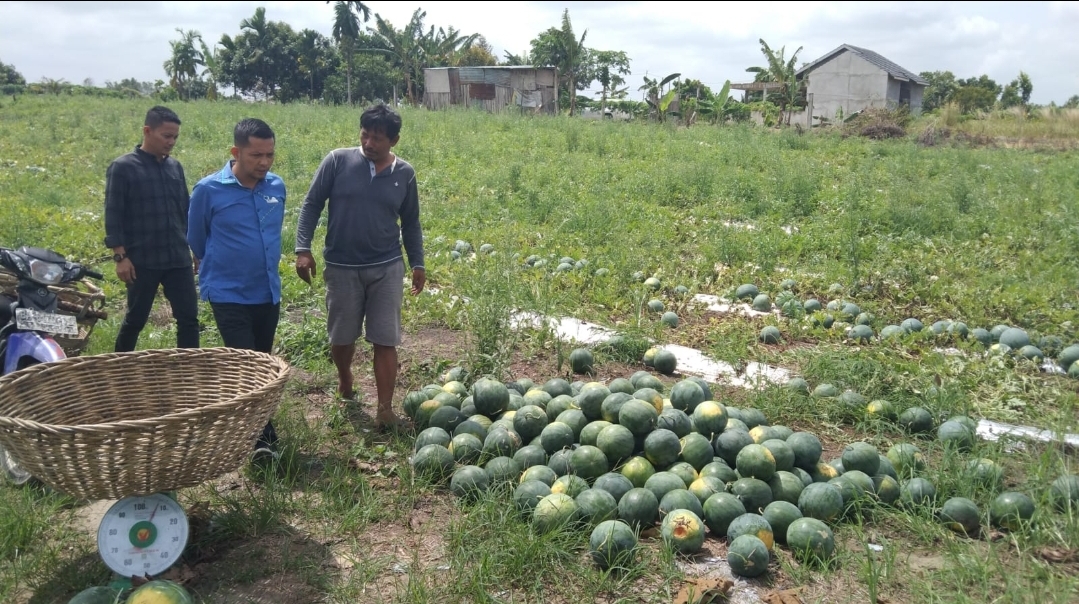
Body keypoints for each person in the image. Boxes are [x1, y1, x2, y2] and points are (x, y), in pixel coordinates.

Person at [294, 103, 425, 432]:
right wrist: (302, 249)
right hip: (342, 266)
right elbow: (311, 204)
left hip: (387, 267)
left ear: (394, 140)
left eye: (377, 139)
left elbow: (410, 223)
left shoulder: (404, 174)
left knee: (385, 339)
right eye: (365, 135)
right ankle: (345, 377)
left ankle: (384, 410)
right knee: (342, 337)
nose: (368, 143)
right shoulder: (338, 161)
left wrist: (418, 262)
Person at [187, 118, 286, 459]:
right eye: (256, 155)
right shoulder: (209, 190)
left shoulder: (276, 186)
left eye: (269, 155)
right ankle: (261, 441)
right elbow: (196, 239)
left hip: (267, 291)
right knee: (247, 366)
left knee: (264, 362)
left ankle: (252, 429)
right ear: (236, 151)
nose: (263, 162)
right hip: (228, 292)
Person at [104, 105, 200, 352]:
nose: (171, 142)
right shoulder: (123, 167)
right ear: (147, 131)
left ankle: (189, 371)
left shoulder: (174, 167)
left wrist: (194, 250)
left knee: (189, 318)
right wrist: (120, 257)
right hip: (141, 260)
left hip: (177, 258)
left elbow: (184, 211)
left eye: (175, 137)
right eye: (166, 136)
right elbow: (113, 214)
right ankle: (121, 369)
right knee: (136, 318)